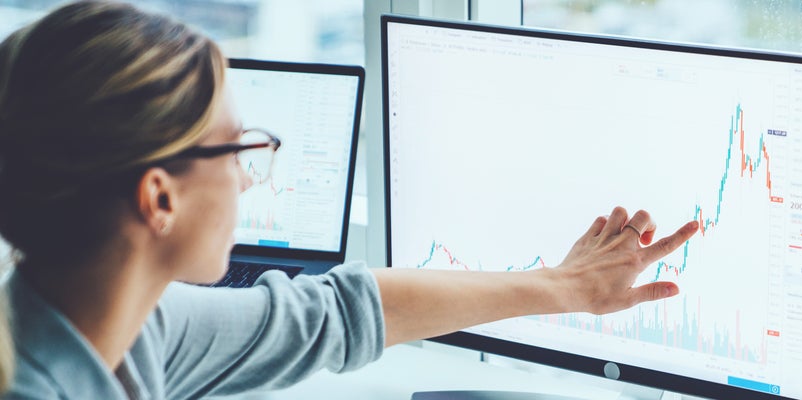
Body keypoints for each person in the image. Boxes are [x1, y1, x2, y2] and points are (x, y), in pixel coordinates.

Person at [0, 1, 699, 398]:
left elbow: (333, 314)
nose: (250, 177)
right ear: (159, 199)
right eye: (239, 148)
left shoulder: (122, 326)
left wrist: (564, 286)